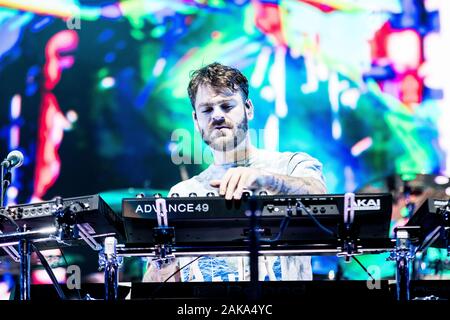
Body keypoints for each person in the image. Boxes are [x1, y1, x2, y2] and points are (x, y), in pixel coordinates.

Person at [143, 62, 326, 282]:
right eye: (207, 110)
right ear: (195, 120)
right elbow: (160, 289)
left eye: (227, 106)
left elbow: (321, 196)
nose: (217, 116)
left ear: (248, 108)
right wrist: (161, 259)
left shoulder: (291, 165)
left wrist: (264, 179)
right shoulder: (182, 192)